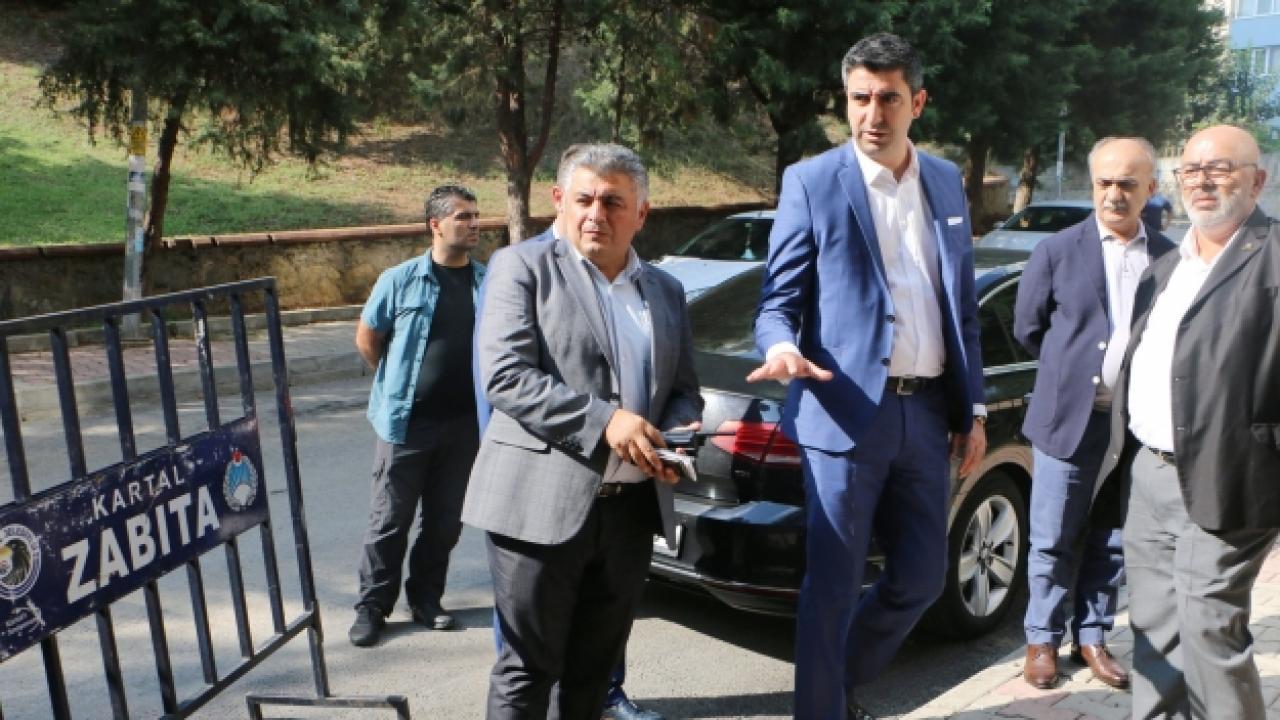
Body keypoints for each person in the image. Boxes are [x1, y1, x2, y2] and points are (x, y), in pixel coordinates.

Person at [748, 33, 986, 720]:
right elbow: (778, 301)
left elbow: (960, 306)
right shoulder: (813, 182)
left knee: (923, 578)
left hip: (927, 413)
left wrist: (972, 409)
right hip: (844, 412)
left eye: (888, 98)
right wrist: (782, 346)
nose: (872, 114)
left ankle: (833, 681)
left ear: (918, 102)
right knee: (832, 585)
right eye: (859, 98)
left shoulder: (944, 180)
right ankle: (821, 708)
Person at [463, 143, 703, 719]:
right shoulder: (520, 267)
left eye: (613, 202)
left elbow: (683, 390)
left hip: (629, 514)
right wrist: (606, 423)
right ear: (559, 201)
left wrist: (671, 437)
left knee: (593, 674)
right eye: (584, 199)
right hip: (537, 508)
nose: (596, 214)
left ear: (641, 213)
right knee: (527, 672)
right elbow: (505, 376)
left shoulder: (665, 291)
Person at [1093, 124, 1280, 719]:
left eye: (1220, 168)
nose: (1202, 181)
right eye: (1191, 170)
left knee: (1208, 627)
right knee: (1153, 627)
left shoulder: (1274, 257)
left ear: (1257, 181)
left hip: (1230, 472)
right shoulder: (1168, 265)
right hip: (1148, 473)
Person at [1012, 137, 1175, 690]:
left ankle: (1092, 638)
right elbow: (1029, 329)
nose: (1114, 194)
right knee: (1052, 538)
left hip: (1135, 426)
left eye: (1128, 183)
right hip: (1067, 421)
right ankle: (1042, 640)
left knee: (1112, 538)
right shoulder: (1057, 251)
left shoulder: (1171, 257)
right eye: (1105, 182)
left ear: (1150, 188)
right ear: (1092, 185)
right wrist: (1074, 374)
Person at [347, 185, 486, 647]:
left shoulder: (487, 283)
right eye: (463, 216)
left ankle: (426, 599)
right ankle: (372, 607)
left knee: (445, 523)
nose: (474, 224)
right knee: (389, 521)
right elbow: (368, 338)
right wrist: (396, 385)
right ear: (436, 225)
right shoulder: (399, 280)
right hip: (407, 425)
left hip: (465, 427)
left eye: (475, 216)